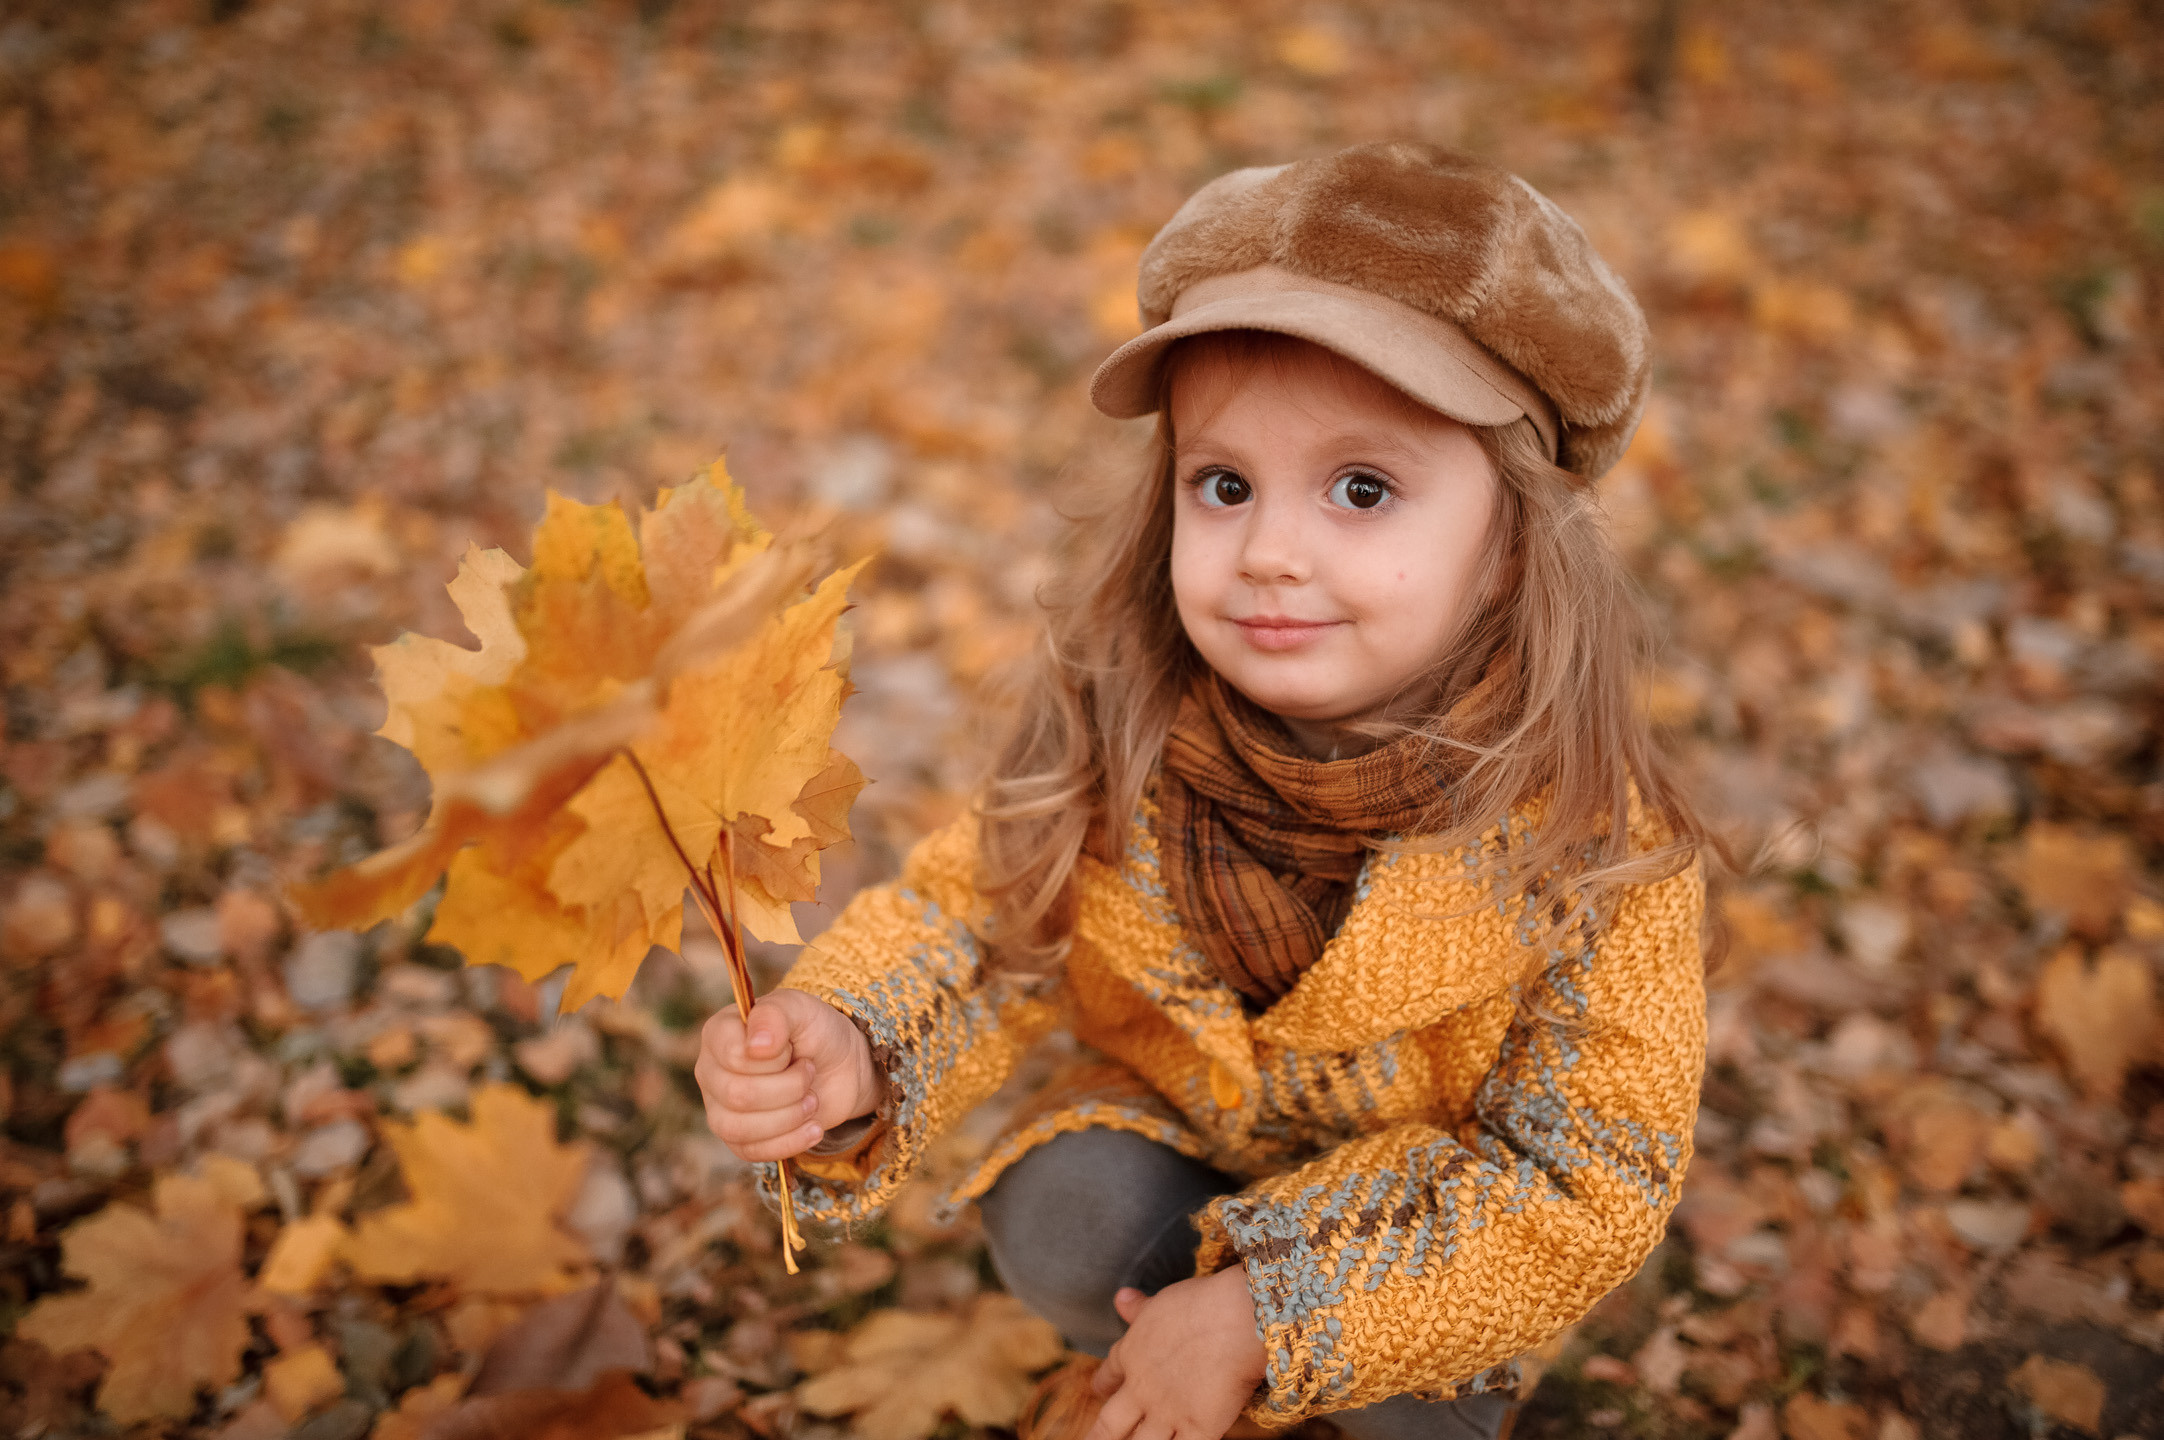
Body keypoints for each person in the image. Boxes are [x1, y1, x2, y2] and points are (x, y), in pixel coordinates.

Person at [694, 142, 1714, 1440]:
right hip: (1182, 1148)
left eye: (1363, 489)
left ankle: (1297, 1374)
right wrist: (851, 1039)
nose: (1271, 552)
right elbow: (976, 923)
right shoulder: (1126, 728)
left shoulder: (1592, 845)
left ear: (1511, 545)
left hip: (1422, 1236)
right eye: (1224, 485)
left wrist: (1272, 1314)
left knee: (1416, 1410)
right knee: (1068, 1217)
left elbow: (1581, 1182)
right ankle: (1151, 1358)